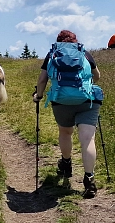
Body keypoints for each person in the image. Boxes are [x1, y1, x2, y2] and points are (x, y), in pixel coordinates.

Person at [32, 29, 102, 197]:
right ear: (75, 40)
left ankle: (66, 163)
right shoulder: (84, 53)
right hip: (87, 100)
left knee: (65, 132)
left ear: (59, 42)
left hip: (61, 100)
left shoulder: (52, 54)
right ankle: (89, 179)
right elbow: (97, 76)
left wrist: (38, 95)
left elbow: (42, 79)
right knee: (87, 138)